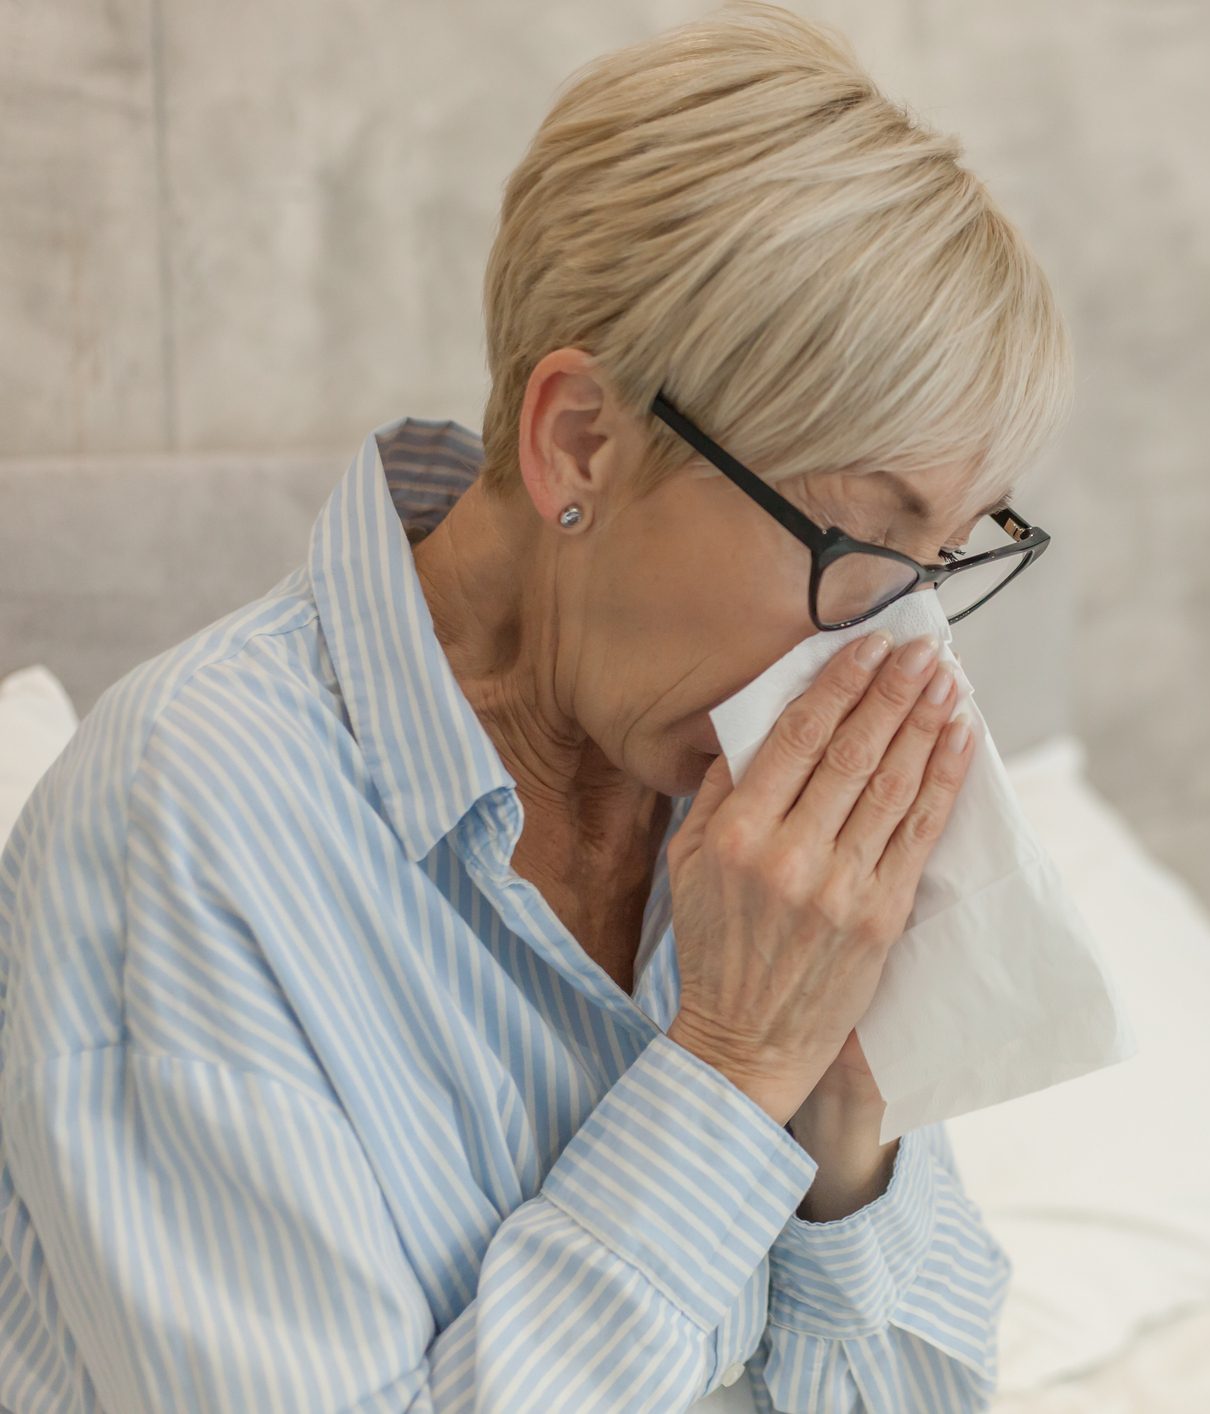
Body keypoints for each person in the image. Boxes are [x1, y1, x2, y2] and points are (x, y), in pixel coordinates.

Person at [0, 3, 1071, 1408]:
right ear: (580, 442)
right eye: (859, 545)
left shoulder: (742, 812)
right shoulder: (190, 815)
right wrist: (732, 1068)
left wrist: (840, 1140)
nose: (900, 650)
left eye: (940, 565)